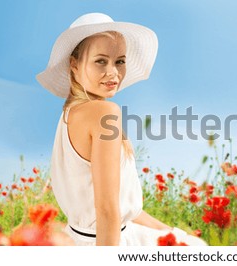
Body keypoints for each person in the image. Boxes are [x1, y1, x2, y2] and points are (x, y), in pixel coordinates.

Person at [36, 13, 207, 246]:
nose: (113, 73)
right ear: (74, 64)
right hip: (108, 243)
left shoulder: (69, 114)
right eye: (101, 61)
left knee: (193, 245)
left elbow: (124, 208)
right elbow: (107, 210)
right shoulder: (105, 113)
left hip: (83, 238)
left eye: (120, 61)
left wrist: (174, 233)